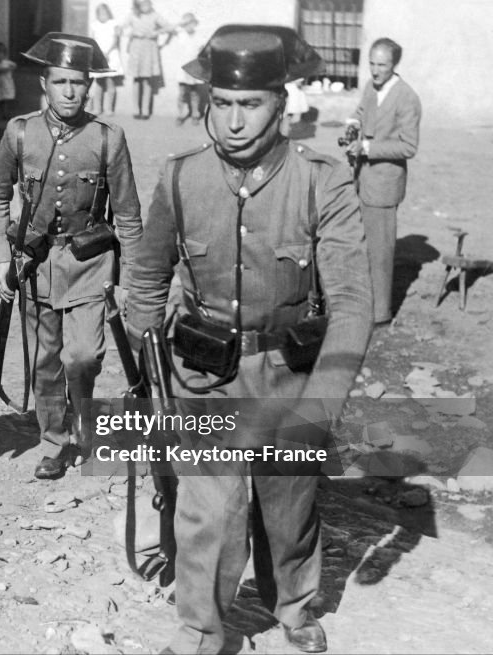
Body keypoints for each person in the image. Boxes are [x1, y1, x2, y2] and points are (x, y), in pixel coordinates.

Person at [126, 25, 373, 654]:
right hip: (203, 375)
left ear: (280, 103)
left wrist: (323, 401)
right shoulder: (180, 177)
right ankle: (199, 629)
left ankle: (293, 603)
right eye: (222, 103)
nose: (235, 121)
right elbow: (149, 275)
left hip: (289, 374)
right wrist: (149, 361)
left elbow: (351, 301)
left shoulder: (322, 180)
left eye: (252, 103)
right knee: (210, 510)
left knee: (287, 504)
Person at [0, 33, 141, 480]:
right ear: (44, 84)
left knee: (83, 357)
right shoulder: (19, 132)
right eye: (61, 82)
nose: (70, 91)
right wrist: (0, 256)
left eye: (79, 82)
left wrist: (127, 279)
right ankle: (54, 442)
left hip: (92, 264)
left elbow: (128, 215)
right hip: (34, 266)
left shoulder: (108, 138)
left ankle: (85, 427)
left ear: (90, 86)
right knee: (45, 362)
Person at [345, 37, 421, 325]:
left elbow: (409, 147)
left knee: (380, 251)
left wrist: (367, 148)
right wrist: (353, 123)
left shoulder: (407, 98)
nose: (375, 71)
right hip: (362, 178)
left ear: (395, 65)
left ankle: (380, 315)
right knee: (360, 245)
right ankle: (362, 303)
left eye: (382, 65)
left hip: (385, 185)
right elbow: (362, 112)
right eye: (372, 64)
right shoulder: (370, 87)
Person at [122, 0, 174, 119]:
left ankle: (145, 111)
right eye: (142, 3)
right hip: (136, 48)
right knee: (136, 79)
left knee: (147, 80)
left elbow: (170, 28)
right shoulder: (132, 15)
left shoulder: (155, 16)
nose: (146, 5)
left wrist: (156, 33)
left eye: (147, 3)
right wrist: (131, 33)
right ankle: (136, 110)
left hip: (149, 49)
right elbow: (121, 29)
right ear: (138, 5)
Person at [163, 12, 207, 126]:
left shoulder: (199, 36)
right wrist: (180, 23)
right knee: (182, 93)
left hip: (194, 68)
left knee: (194, 93)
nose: (189, 26)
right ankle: (181, 115)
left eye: (191, 23)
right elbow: (167, 29)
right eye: (187, 24)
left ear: (195, 24)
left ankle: (195, 115)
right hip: (182, 69)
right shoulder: (180, 34)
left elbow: (204, 51)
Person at [88, 3, 123, 116]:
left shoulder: (113, 24)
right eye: (100, 13)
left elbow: (116, 40)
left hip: (111, 55)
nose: (103, 16)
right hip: (99, 55)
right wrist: (99, 53)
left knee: (110, 82)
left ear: (109, 13)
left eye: (105, 13)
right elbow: (92, 41)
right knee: (98, 83)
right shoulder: (94, 25)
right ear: (97, 14)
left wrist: (107, 52)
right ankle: (98, 108)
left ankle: (109, 109)